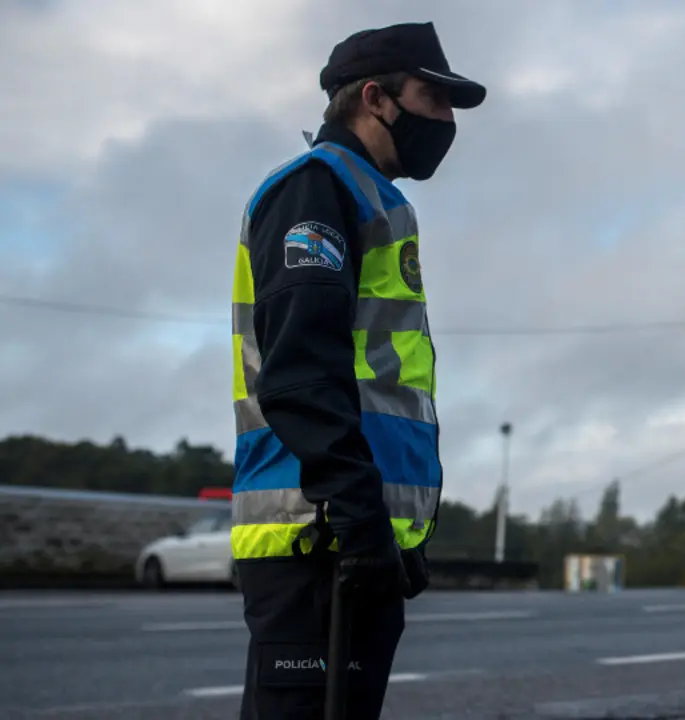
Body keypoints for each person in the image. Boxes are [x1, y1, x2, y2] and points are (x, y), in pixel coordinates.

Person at [228, 21, 484, 719]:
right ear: (374, 97)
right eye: (435, 98)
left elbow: (378, 387)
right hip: (313, 535)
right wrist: (359, 514)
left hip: (354, 538)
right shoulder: (314, 190)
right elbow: (301, 371)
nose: (447, 120)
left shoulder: (373, 198)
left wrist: (397, 533)